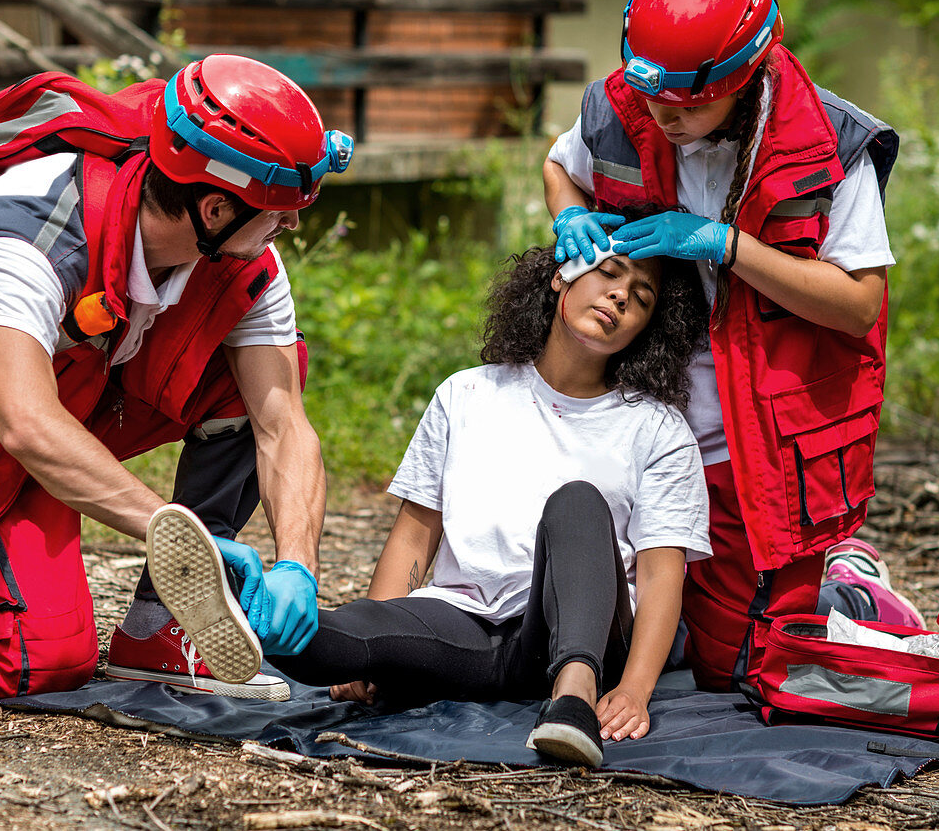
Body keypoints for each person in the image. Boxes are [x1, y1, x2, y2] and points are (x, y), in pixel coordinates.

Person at [0, 54, 352, 701]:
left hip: (62, 398)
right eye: (280, 211)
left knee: (252, 376)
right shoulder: (28, 236)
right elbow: (27, 423)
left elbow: (282, 422)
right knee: (35, 661)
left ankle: (163, 626)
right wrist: (172, 529)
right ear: (214, 210)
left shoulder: (242, 256)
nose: (292, 225)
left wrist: (300, 561)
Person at [542, 0, 915, 694]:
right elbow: (562, 165)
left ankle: (849, 589)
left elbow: (859, 305)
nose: (663, 119)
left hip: (763, 443)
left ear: (744, 80)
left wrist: (726, 245)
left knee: (734, 669)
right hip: (644, 412)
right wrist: (570, 218)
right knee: (604, 624)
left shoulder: (831, 147)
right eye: (653, 101)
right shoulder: (626, 101)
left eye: (689, 107)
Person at [246, 231, 712, 767]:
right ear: (561, 275)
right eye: (609, 273)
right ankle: (251, 618)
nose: (621, 296)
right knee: (349, 636)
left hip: (581, 635)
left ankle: (572, 705)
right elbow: (415, 532)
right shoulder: (467, 394)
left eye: (641, 297)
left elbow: (660, 575)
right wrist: (374, 646)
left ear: (646, 329)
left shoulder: (657, 428)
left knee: (578, 503)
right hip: (466, 626)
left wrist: (632, 690)